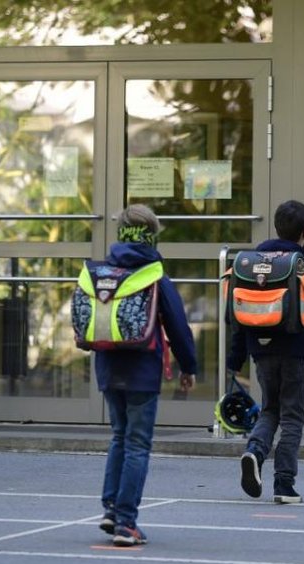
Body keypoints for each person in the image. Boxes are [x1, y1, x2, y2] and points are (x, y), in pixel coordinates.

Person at [95, 204, 198, 546]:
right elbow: (179, 328)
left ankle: (110, 509)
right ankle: (127, 522)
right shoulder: (154, 276)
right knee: (137, 443)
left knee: (119, 437)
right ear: (152, 237)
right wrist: (189, 367)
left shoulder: (105, 273)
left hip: (108, 368)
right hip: (142, 372)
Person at [230, 200, 304, 503]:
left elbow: (236, 316)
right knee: (291, 417)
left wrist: (234, 360)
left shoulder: (251, 266)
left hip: (260, 352)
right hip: (293, 353)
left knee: (270, 409)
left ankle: (254, 450)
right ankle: (284, 484)